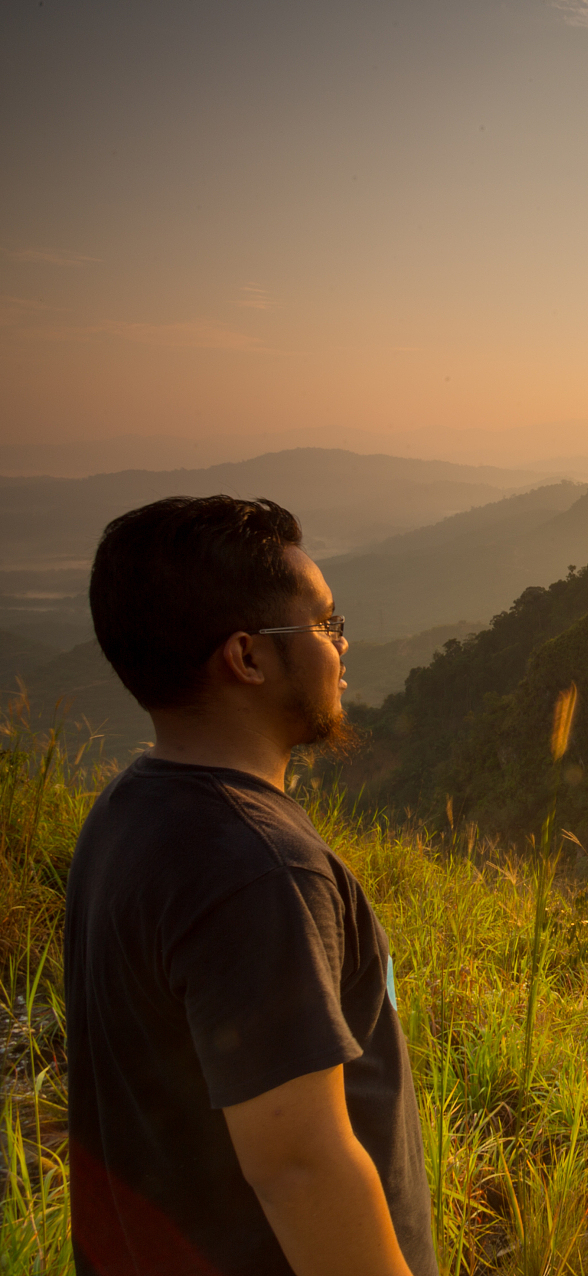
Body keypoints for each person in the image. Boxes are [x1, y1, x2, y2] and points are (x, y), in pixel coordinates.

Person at [65, 496, 432, 1276]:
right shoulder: (258, 869)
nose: (341, 644)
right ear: (248, 656)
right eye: (324, 624)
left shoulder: (128, 809)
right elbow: (301, 1164)